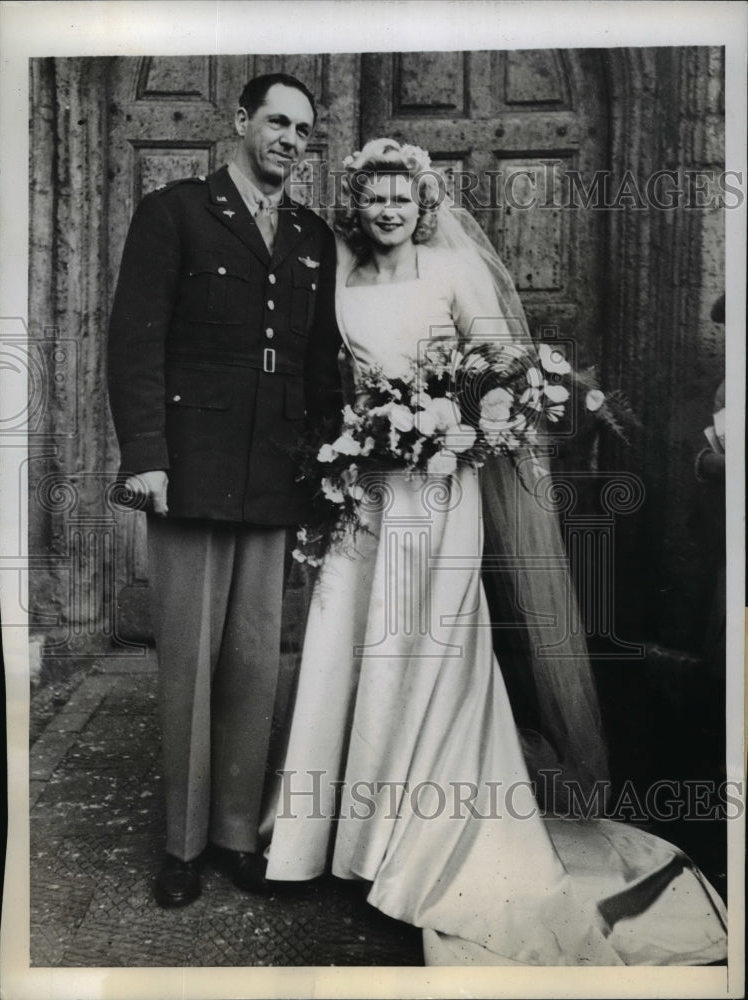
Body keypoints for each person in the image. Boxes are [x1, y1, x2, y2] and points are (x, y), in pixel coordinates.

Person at [263, 139, 727, 965]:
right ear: (357, 204)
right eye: (374, 199)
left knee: (427, 650)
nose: (387, 212)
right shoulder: (342, 273)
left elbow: (504, 366)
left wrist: (452, 421)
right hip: (367, 486)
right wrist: (359, 438)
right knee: (347, 642)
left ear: (424, 204)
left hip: (439, 487)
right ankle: (326, 836)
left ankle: (414, 841)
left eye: (401, 199)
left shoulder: (451, 273)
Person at [107, 73, 342, 908]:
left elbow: (320, 367)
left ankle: (238, 834)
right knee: (189, 663)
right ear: (240, 121)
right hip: (192, 465)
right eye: (276, 121)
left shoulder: (314, 235)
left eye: (303, 130)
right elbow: (136, 341)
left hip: (275, 469)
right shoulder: (174, 212)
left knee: (254, 661)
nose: (289, 138)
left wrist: (322, 466)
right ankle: (180, 845)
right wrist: (146, 455)